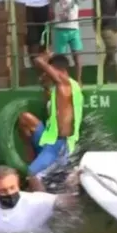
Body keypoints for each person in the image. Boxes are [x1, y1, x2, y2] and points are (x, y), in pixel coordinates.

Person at [17, 52, 84, 182]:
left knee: (31, 176)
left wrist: (47, 55)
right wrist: (45, 87)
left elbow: (38, 60)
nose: (45, 74)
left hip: (59, 146)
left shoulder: (65, 84)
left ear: (58, 71)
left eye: (49, 72)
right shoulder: (59, 89)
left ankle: (40, 172)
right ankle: (34, 159)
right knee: (25, 119)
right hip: (49, 138)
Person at [93, 0, 117, 83]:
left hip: (114, 26)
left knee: (111, 53)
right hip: (104, 26)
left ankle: (104, 77)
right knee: (111, 49)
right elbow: (96, 13)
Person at [53, 0, 83, 84]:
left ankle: (78, 80)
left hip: (74, 30)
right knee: (60, 58)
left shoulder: (75, 2)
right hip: (60, 30)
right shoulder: (56, 3)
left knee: (77, 55)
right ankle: (62, 80)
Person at [23, 0, 52, 68]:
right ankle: (38, 71)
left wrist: (51, 7)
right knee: (33, 42)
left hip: (44, 7)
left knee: (45, 41)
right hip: (29, 7)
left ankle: (45, 71)